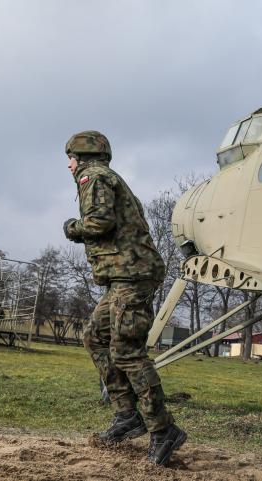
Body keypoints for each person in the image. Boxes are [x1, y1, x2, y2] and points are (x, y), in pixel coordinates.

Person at [63, 130, 185, 466]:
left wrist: (72, 227)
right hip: (124, 276)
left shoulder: (94, 177)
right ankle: (127, 416)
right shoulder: (104, 177)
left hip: (132, 275)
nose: (69, 165)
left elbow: (99, 222)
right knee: (95, 337)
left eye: (70, 157)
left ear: (82, 155)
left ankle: (163, 431)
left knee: (127, 351)